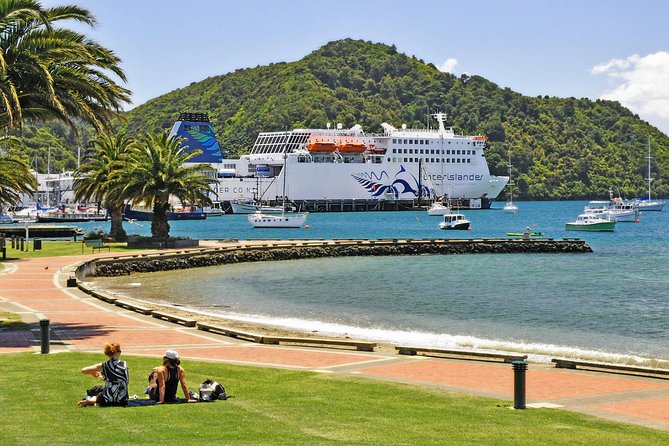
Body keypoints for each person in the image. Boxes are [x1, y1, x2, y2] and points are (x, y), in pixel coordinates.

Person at [77, 342, 129, 407]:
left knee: (97, 390)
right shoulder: (124, 364)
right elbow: (116, 379)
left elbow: (83, 370)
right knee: (104, 389)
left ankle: (93, 401)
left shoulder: (104, 365)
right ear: (117, 352)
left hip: (108, 398)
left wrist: (92, 372)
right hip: (123, 399)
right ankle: (96, 402)